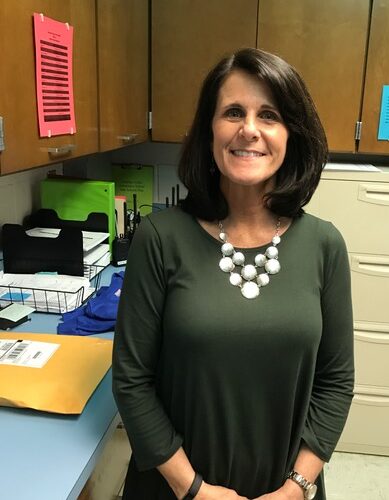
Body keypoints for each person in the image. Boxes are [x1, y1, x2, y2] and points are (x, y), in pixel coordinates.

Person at [112, 47, 354, 500]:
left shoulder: (325, 245)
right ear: (209, 131)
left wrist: (296, 488)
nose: (250, 129)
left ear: (292, 135)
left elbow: (335, 382)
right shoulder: (160, 237)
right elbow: (131, 381)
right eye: (233, 112)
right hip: (174, 490)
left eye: (270, 115)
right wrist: (194, 489)